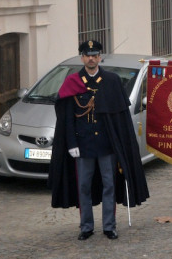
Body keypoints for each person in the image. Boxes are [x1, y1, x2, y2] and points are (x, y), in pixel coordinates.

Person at [48, 40, 149, 241]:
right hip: (83, 146)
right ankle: (86, 226)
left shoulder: (111, 81)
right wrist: (72, 144)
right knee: (83, 186)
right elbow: (67, 118)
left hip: (107, 145)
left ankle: (109, 226)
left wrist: (120, 143)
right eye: (88, 55)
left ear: (100, 57)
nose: (91, 58)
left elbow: (121, 117)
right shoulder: (72, 82)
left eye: (95, 55)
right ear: (82, 58)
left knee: (109, 185)